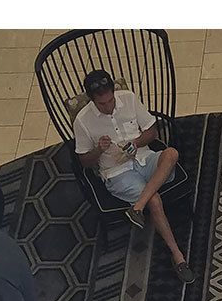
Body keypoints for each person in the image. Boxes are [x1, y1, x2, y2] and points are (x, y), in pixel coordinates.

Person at [73, 69, 195, 284]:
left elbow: (152, 131)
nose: (109, 107)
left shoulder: (128, 98)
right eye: (102, 104)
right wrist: (99, 150)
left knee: (171, 154)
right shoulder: (83, 121)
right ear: (92, 101)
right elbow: (84, 161)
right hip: (117, 172)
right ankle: (178, 256)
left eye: (110, 100)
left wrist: (136, 142)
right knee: (154, 200)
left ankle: (137, 207)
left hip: (142, 156)